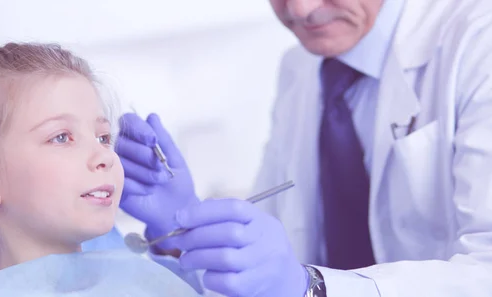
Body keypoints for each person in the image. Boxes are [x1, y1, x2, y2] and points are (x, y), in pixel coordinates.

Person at [117, 0, 492, 296]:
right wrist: (183, 232)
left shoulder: (478, 41)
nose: (299, 9)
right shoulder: (300, 68)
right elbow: (266, 256)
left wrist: (312, 288)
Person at [0, 42, 202, 296]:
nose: (104, 156)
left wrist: (179, 243)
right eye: (61, 137)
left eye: (103, 137)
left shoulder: (146, 283)